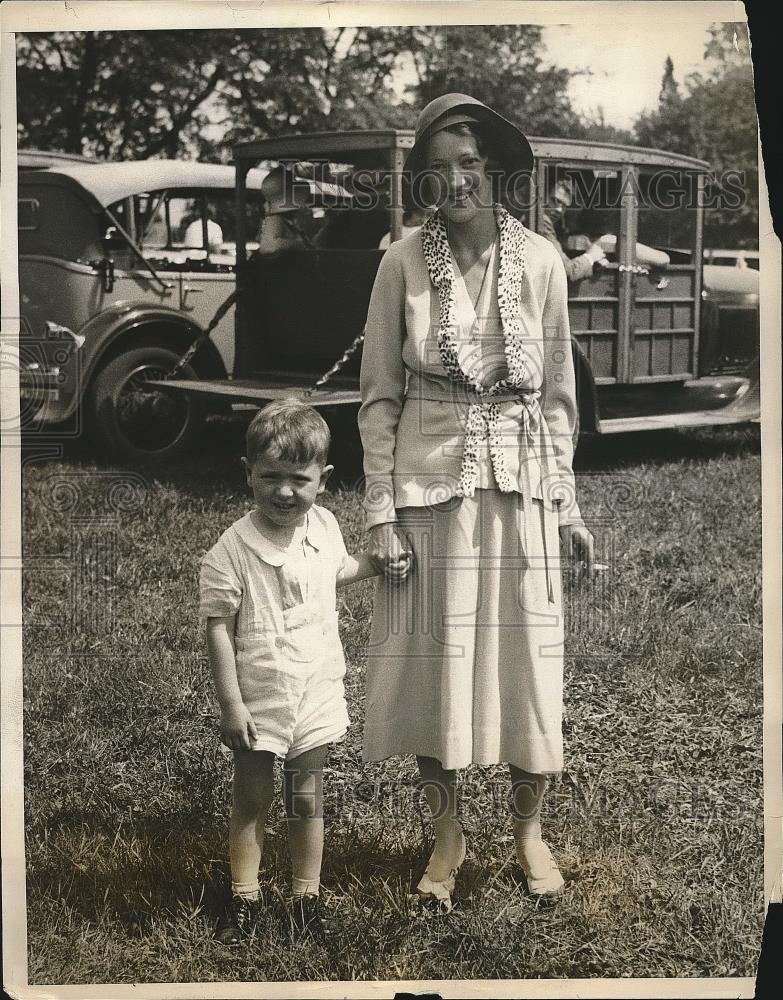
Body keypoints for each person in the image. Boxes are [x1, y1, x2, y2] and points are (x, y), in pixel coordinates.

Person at [358, 93, 596, 912]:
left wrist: (564, 507)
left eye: (468, 165)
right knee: (438, 667)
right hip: (431, 486)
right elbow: (378, 399)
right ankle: (447, 832)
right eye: (437, 169)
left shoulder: (540, 263)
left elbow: (559, 400)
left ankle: (529, 831)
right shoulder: (398, 262)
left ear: (494, 169)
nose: (454, 181)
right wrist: (381, 513)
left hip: (523, 486)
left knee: (529, 663)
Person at [199, 399, 406, 944]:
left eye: (299, 478)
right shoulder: (231, 551)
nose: (284, 491)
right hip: (260, 693)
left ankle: (305, 894)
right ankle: (244, 895)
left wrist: (376, 565)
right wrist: (231, 704)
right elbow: (217, 628)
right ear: (248, 473)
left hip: (315, 686)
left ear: (324, 479)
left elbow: (334, 573)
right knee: (252, 796)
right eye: (269, 476)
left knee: (306, 793)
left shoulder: (326, 527)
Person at [537, 178, 608, 283]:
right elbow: (565, 272)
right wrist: (590, 257)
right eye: (554, 201)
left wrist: (592, 264)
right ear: (542, 197)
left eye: (564, 206)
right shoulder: (542, 222)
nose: (559, 209)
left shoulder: (551, 223)